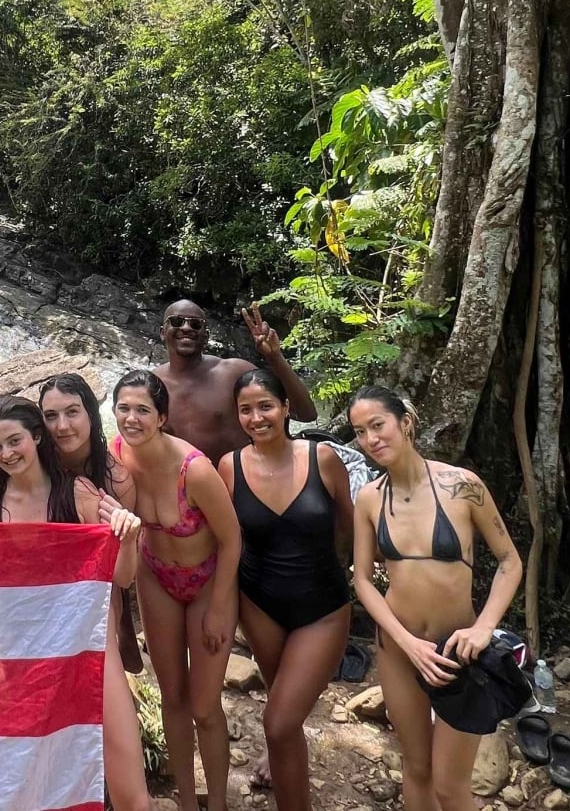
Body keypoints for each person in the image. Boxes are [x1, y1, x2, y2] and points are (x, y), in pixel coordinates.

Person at [348, 386, 523, 811]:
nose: (371, 439)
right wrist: (406, 643)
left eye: (378, 425)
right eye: (360, 432)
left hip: (458, 651)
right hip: (399, 648)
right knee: (416, 768)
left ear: (405, 423)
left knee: (449, 784)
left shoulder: (462, 487)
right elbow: (363, 581)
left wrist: (483, 629)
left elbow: (509, 562)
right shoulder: (369, 498)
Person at [0, 395, 150, 811]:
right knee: (36, 786)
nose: (6, 454)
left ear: (36, 436)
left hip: (90, 651)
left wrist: (128, 536)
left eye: (14, 441)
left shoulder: (79, 494)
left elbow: (122, 577)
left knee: (130, 792)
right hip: (25, 656)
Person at [218, 370, 353, 810]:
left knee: (277, 723)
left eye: (265, 406)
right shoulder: (229, 467)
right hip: (259, 604)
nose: (256, 417)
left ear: (285, 408)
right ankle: (286, 778)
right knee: (284, 718)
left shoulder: (323, 459)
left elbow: (347, 532)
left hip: (322, 608)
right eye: (245, 409)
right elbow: (225, 539)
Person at [109, 369, 241, 811]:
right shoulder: (115, 457)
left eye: (143, 410)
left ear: (162, 416)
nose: (132, 418)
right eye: (123, 408)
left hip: (206, 579)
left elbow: (232, 538)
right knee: (173, 699)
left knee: (204, 706)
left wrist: (221, 606)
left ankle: (217, 802)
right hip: (155, 576)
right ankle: (186, 799)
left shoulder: (196, 470)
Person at [39, 371, 145, 673]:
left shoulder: (117, 480)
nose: (62, 426)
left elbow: (120, 571)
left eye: (72, 412)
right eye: (51, 416)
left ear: (90, 412)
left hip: (95, 596)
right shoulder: (33, 465)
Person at [152, 300, 316, 465]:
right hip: (182, 488)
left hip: (239, 484)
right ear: (162, 332)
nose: (186, 328)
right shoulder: (152, 386)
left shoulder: (233, 373)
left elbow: (304, 413)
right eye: (177, 321)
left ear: (206, 336)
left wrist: (275, 357)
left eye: (195, 324)